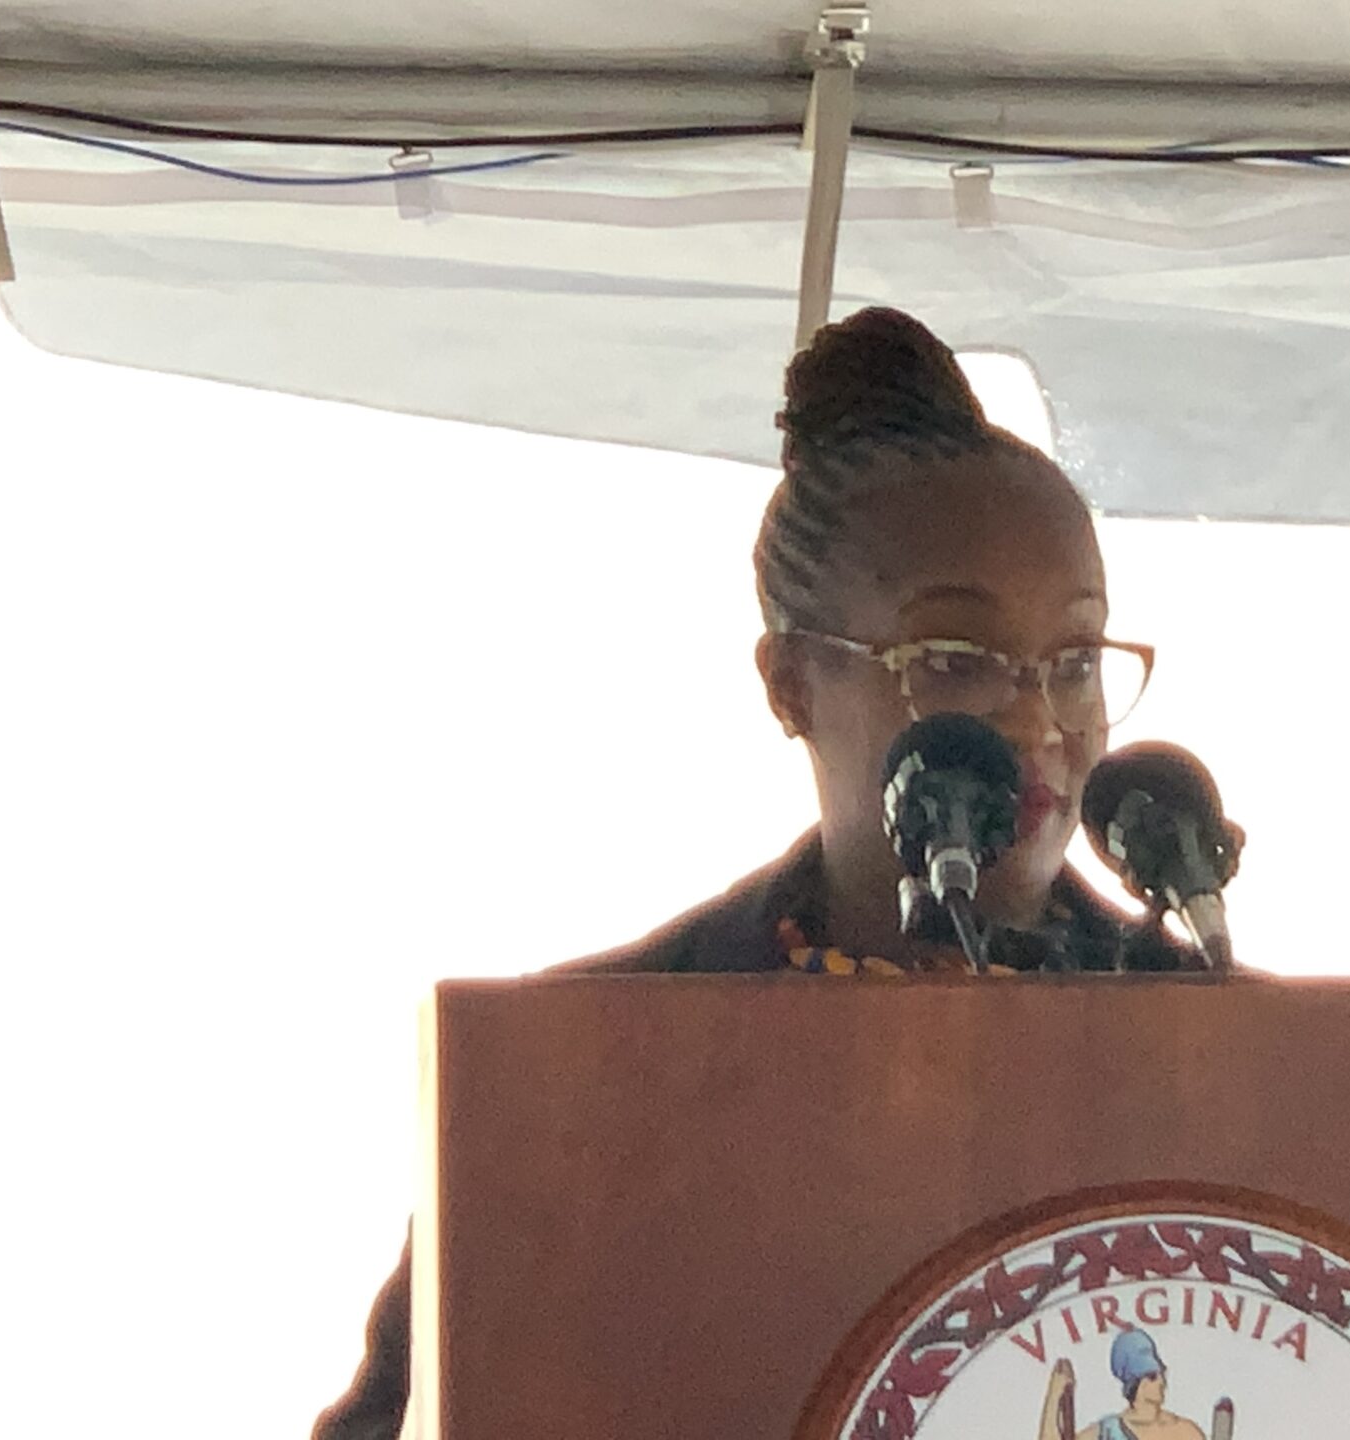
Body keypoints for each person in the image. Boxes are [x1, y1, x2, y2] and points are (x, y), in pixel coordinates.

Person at [313, 306, 1197, 1440]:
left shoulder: (1232, 1058)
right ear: (789, 683)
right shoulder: (582, 1081)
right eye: (956, 661)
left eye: (1073, 661)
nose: (1037, 718)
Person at [1039, 1331, 1208, 1440]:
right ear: (1134, 1383)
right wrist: (1055, 1392)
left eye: (1162, 1374)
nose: (1162, 1382)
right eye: (1151, 1377)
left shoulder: (1186, 1431)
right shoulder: (1108, 1432)